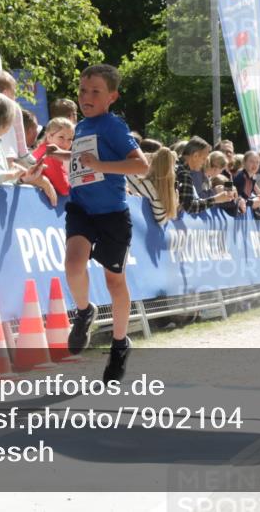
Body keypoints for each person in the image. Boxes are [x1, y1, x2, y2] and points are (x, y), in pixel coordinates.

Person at [44, 64, 149, 383]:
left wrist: (100, 164)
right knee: (73, 263)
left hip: (112, 215)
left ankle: (119, 344)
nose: (86, 97)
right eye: (82, 90)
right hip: (82, 208)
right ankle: (85, 310)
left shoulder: (114, 125)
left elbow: (141, 166)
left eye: (95, 92)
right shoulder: (84, 127)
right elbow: (84, 162)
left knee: (114, 281)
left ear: (112, 96)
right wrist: (62, 155)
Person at [175, 136, 237, 215]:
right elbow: (190, 206)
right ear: (195, 156)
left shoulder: (179, 167)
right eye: (204, 158)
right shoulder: (185, 173)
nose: (205, 162)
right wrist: (216, 197)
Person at [126, 146, 178, 227]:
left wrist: (147, 156)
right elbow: (161, 220)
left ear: (152, 163)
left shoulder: (135, 178)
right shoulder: (156, 194)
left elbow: (126, 161)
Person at [31, 116, 74, 196]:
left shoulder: (42, 149)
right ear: (49, 136)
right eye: (61, 137)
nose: (66, 143)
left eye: (70, 139)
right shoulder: (52, 155)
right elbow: (64, 189)